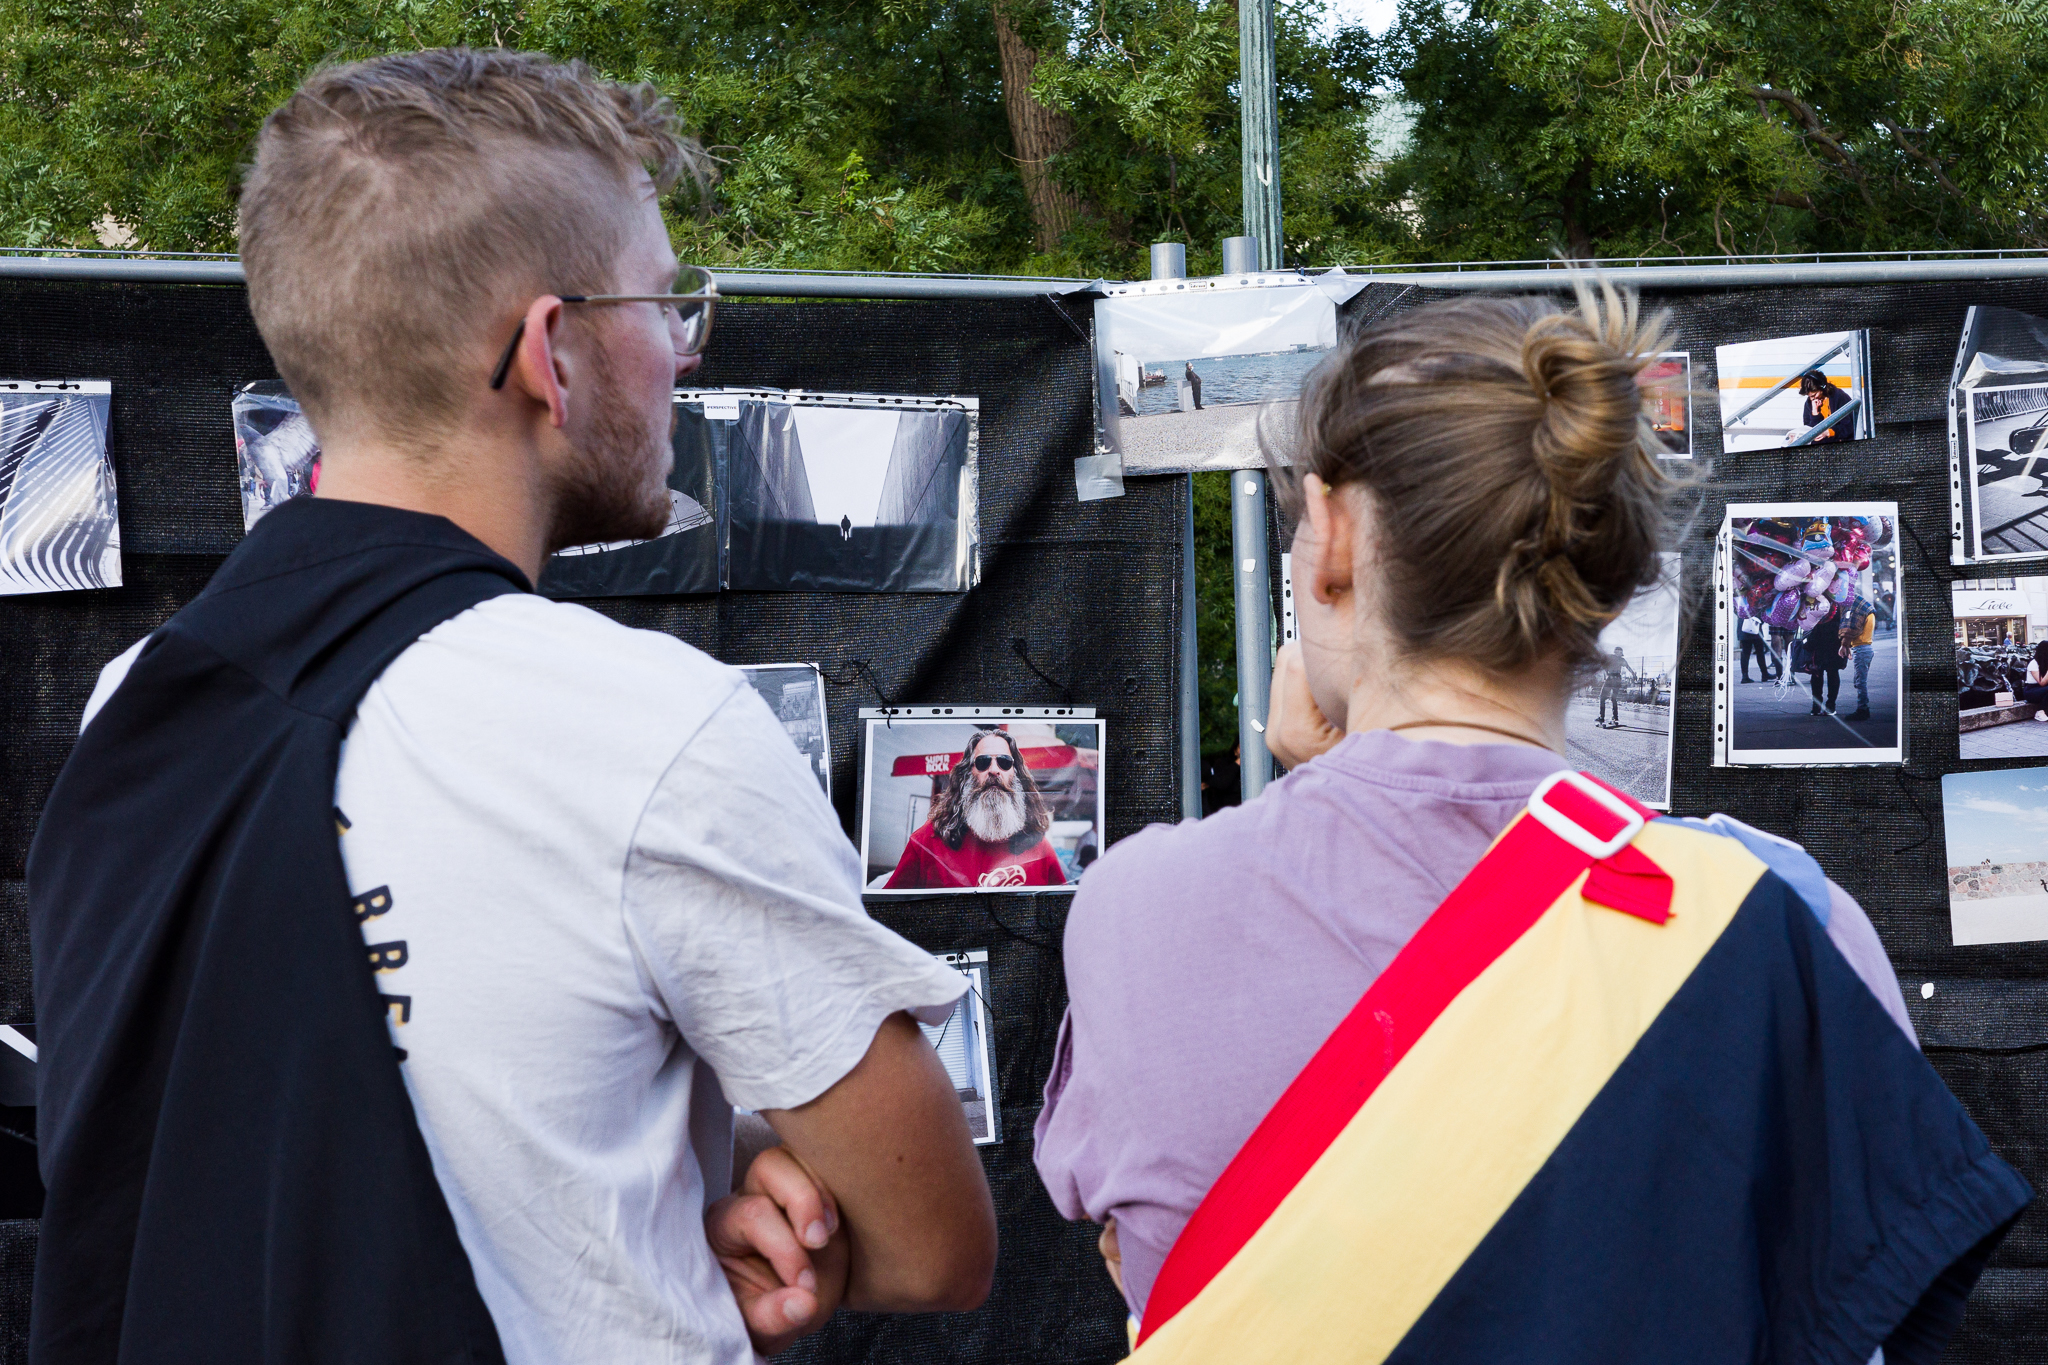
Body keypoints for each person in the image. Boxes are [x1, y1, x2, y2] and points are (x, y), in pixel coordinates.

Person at [29, 49, 995, 1365]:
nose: (684, 353)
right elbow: (935, 1244)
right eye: (664, 303)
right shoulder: (649, 728)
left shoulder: (131, 707)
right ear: (554, 350)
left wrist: (660, 1185)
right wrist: (742, 1178)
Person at [1033, 285, 2027, 1363]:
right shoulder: (1777, 917)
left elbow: (1155, 1251)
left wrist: (1306, 791)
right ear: (1607, 585)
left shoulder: (1135, 908)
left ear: (1326, 538)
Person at [886, 729, 1068, 889]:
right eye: (983, 762)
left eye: (1005, 762)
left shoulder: (1041, 849)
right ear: (967, 774)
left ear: (1016, 773)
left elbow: (1061, 912)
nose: (994, 770)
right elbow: (890, 908)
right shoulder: (927, 841)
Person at [1807, 598, 1846, 717]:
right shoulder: (1838, 600)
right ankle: (1829, 706)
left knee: (1818, 674)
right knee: (1831, 673)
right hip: (1834, 638)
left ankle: (1818, 705)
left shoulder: (1818, 597)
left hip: (1823, 637)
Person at [1843, 594, 1877, 722]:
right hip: (1864, 648)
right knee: (1859, 680)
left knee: (1860, 682)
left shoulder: (1861, 614)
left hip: (1862, 649)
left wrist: (1846, 644)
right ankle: (1863, 708)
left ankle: (1863, 709)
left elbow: (1854, 629)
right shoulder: (1870, 613)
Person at [1798, 368, 1854, 443]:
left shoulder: (1839, 397)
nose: (1811, 399)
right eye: (1809, 396)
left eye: (1814, 395)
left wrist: (1829, 432)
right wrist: (1815, 413)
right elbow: (1810, 430)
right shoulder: (1809, 403)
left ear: (1822, 387)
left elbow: (1849, 427)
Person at [1737, 612, 1776, 683]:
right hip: (1754, 624)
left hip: (1743, 624)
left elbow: (1736, 609)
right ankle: (1764, 674)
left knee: (1745, 651)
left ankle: (1745, 676)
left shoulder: (1740, 601)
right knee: (1759, 651)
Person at [1596, 643, 1627, 727]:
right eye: (1617, 652)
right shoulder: (1622, 660)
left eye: (1619, 652)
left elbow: (1603, 662)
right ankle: (1615, 717)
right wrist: (1634, 675)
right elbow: (1629, 667)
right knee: (1613, 698)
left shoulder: (1612, 657)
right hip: (1617, 679)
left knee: (1602, 697)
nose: (1618, 654)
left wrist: (1606, 673)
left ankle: (1602, 717)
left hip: (1611, 678)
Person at [2023, 641, 2048, 721]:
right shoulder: (2033, 663)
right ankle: (2040, 712)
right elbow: (2042, 683)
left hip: (2043, 690)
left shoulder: (2045, 663)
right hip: (2031, 691)